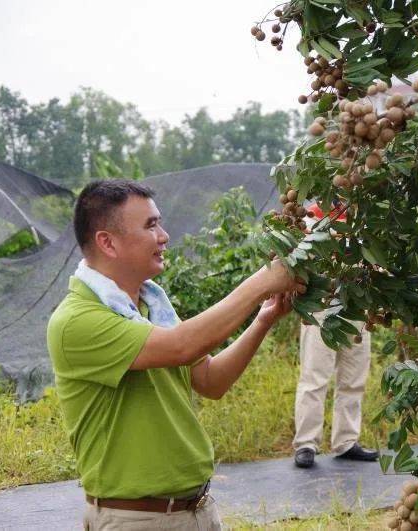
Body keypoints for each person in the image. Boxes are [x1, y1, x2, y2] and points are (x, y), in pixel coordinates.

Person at [46, 180, 304, 530]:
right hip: (137, 519)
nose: (164, 235)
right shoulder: (78, 320)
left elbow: (211, 380)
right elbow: (183, 346)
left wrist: (264, 318)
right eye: (150, 226)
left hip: (196, 511)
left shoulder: (150, 306)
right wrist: (262, 282)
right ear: (107, 242)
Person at [292, 200, 378, 468]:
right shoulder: (311, 215)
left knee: (354, 378)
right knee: (314, 376)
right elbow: (303, 260)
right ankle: (306, 443)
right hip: (321, 306)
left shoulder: (363, 214)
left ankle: (346, 441)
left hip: (357, 308)